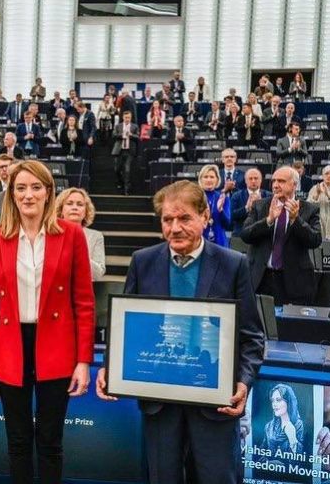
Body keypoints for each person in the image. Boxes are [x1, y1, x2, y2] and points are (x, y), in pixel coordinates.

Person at [96, 179, 265, 484]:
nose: (175, 228)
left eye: (184, 218)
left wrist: (243, 381)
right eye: (167, 219)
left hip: (215, 404)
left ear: (205, 217)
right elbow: (128, 329)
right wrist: (112, 366)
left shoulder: (233, 263)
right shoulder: (142, 262)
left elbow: (252, 337)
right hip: (161, 405)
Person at [0, 160, 94, 484]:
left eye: (35, 187)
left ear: (48, 192)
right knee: (17, 442)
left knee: (50, 442)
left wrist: (83, 361)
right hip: (10, 348)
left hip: (56, 347)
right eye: (21, 188)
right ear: (11, 194)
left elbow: (84, 303)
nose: (28, 195)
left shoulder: (71, 234)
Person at [241, 166, 322, 306]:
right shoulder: (259, 206)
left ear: (294, 185)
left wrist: (295, 220)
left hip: (294, 281)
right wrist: (268, 220)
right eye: (274, 181)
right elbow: (245, 234)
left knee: (289, 327)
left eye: (281, 181)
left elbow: (315, 240)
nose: (276, 185)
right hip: (260, 278)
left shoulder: (309, 209)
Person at [56, 187, 106, 280]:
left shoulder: (96, 236)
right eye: (69, 203)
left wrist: (79, 253)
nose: (75, 207)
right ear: (61, 209)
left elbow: (98, 274)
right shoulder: (51, 233)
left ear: (86, 211)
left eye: (80, 204)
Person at [261, 384, 305, 460]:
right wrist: (267, 463)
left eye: (278, 400)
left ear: (289, 402)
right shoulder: (269, 427)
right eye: (272, 400)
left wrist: (292, 439)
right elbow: (260, 452)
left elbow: (303, 459)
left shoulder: (299, 425)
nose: (274, 404)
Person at [230, 168, 271, 236]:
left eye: (256, 178)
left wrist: (261, 206)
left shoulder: (269, 195)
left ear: (261, 180)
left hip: (263, 234)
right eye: (250, 178)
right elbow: (232, 216)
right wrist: (246, 208)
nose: (253, 181)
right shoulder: (236, 195)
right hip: (240, 235)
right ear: (246, 181)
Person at [198, 165, 232, 247]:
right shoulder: (195, 197)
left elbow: (228, 225)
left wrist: (220, 210)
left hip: (220, 243)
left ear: (217, 180)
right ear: (201, 179)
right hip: (200, 242)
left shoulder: (223, 197)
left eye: (212, 177)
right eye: (205, 177)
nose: (209, 180)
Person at [307, 165, 330, 240]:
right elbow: (308, 208)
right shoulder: (314, 189)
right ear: (323, 176)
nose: (329, 176)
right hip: (319, 225)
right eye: (326, 174)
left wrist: (329, 195)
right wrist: (316, 195)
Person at [112, 111, 138, 195]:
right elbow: (114, 135)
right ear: (123, 117)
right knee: (117, 169)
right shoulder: (118, 126)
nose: (127, 119)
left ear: (131, 118)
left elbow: (138, 136)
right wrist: (122, 135)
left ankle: (126, 189)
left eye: (129, 118)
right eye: (126, 117)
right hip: (119, 150)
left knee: (127, 170)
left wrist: (131, 135)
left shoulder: (134, 126)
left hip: (129, 151)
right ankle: (120, 181)